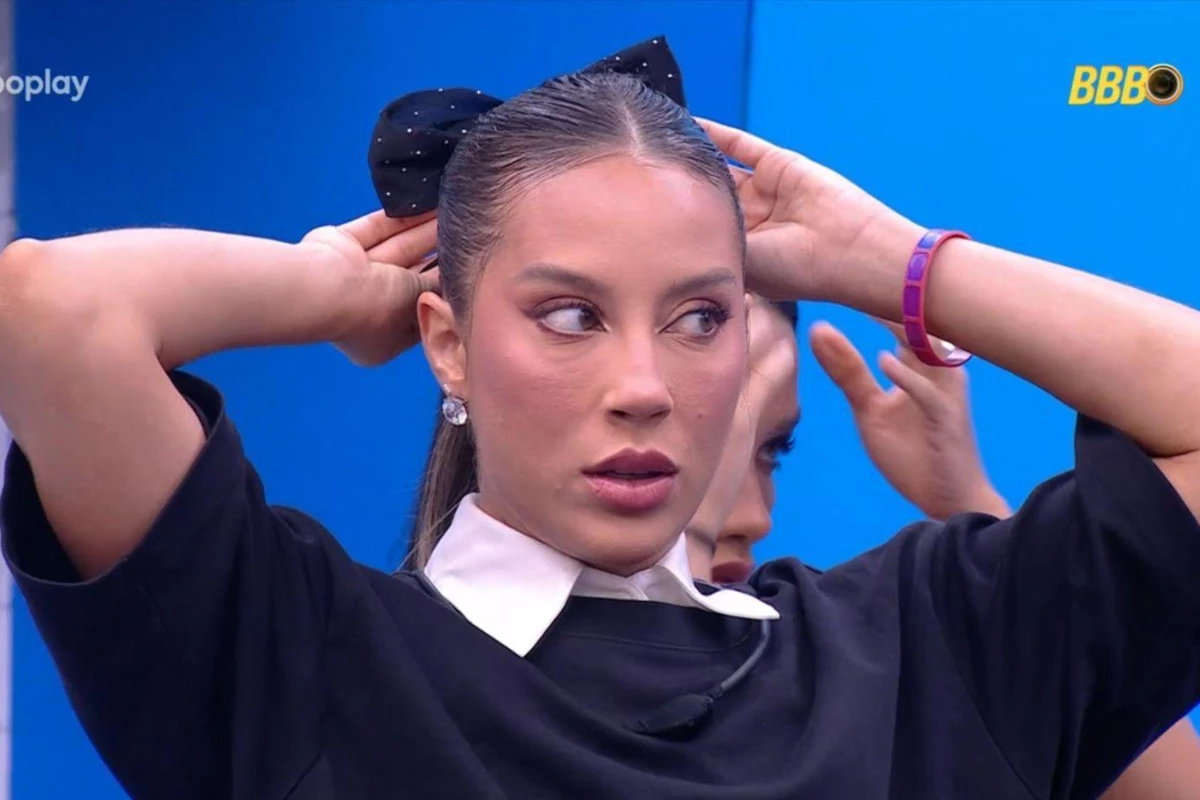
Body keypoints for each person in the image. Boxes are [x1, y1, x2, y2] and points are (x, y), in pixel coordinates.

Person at [2, 36, 1200, 799]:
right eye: (571, 315)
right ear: (449, 342)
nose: (645, 383)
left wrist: (890, 259)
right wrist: (334, 287)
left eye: (699, 317)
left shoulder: (925, 649)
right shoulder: (296, 655)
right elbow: (51, 312)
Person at [687, 301, 1200, 799]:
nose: (754, 517)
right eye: (704, 442)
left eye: (770, 451)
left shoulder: (856, 673)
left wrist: (969, 502)